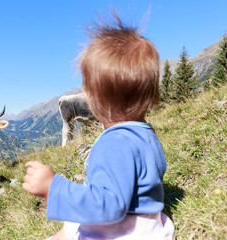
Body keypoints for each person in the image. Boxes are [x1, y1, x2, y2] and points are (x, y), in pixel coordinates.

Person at [22, 14, 175, 240]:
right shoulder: (146, 135)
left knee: (75, 227)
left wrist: (53, 186)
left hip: (124, 231)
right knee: (71, 226)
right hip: (150, 225)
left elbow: (108, 206)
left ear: (97, 100)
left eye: (87, 88)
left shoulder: (114, 142)